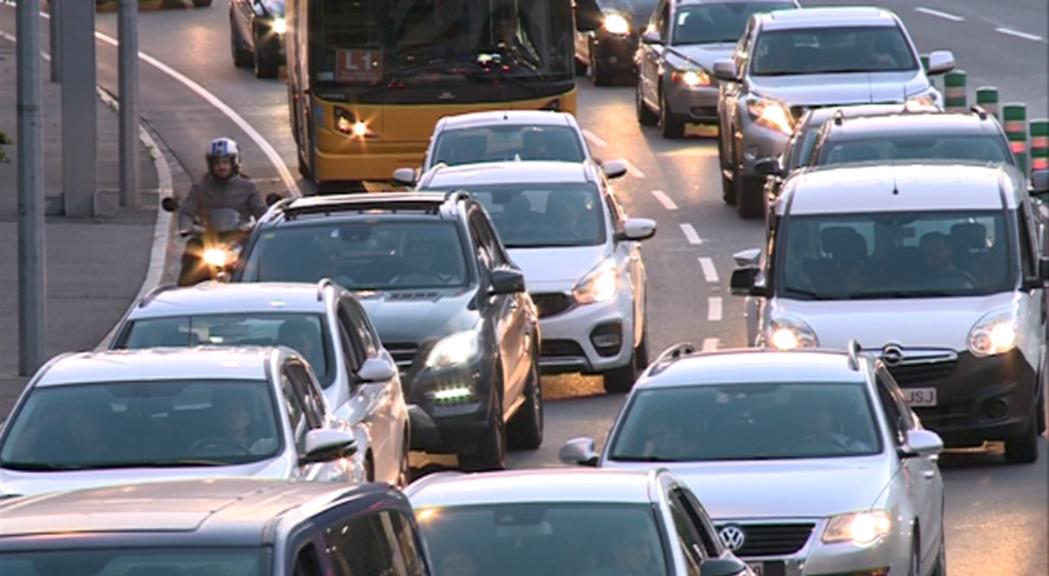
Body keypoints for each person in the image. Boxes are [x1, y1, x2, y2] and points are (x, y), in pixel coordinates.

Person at [177, 138, 267, 286]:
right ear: (210, 165)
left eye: (225, 162)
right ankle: (184, 295)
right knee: (191, 256)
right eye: (217, 163)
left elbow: (261, 211)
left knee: (259, 262)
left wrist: (260, 227)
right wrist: (186, 227)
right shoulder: (200, 187)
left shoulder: (248, 187)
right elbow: (187, 211)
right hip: (209, 239)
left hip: (239, 240)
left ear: (234, 163)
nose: (221, 167)